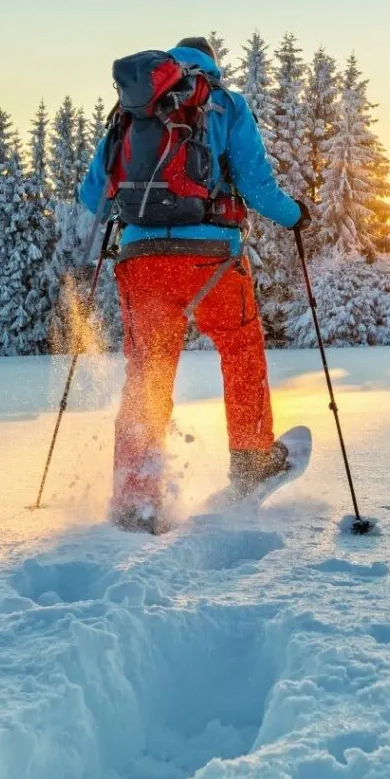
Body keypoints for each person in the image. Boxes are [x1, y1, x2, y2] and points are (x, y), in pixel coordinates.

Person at [79, 37, 309, 531]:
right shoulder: (223, 103)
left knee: (148, 371)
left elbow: (92, 193)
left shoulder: (132, 110)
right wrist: (295, 217)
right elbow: (255, 184)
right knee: (240, 347)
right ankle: (251, 460)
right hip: (212, 260)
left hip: (141, 261)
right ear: (211, 65)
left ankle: (136, 497)